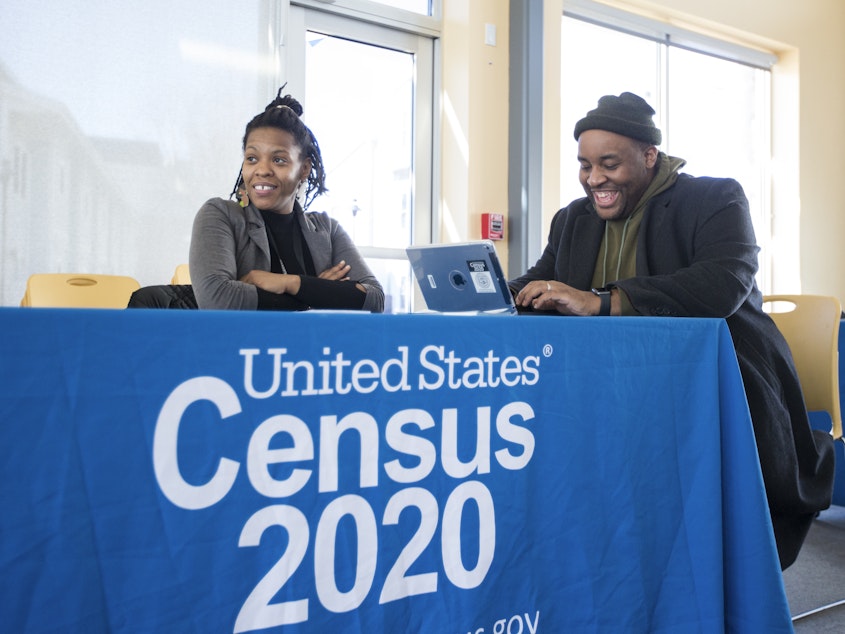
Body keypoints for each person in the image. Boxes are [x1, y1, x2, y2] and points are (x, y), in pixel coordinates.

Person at [508, 91, 834, 569]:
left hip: (721, 375)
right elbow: (545, 277)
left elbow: (722, 285)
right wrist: (493, 293)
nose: (594, 178)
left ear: (648, 156)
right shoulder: (572, 219)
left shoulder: (714, 198)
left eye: (609, 164)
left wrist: (602, 302)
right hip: (614, 383)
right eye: (584, 165)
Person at [128, 87, 384, 312]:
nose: (261, 170)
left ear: (304, 169)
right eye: (252, 158)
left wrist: (289, 283)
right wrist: (319, 293)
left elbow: (374, 298)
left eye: (279, 159)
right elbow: (219, 301)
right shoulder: (219, 215)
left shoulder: (328, 230)